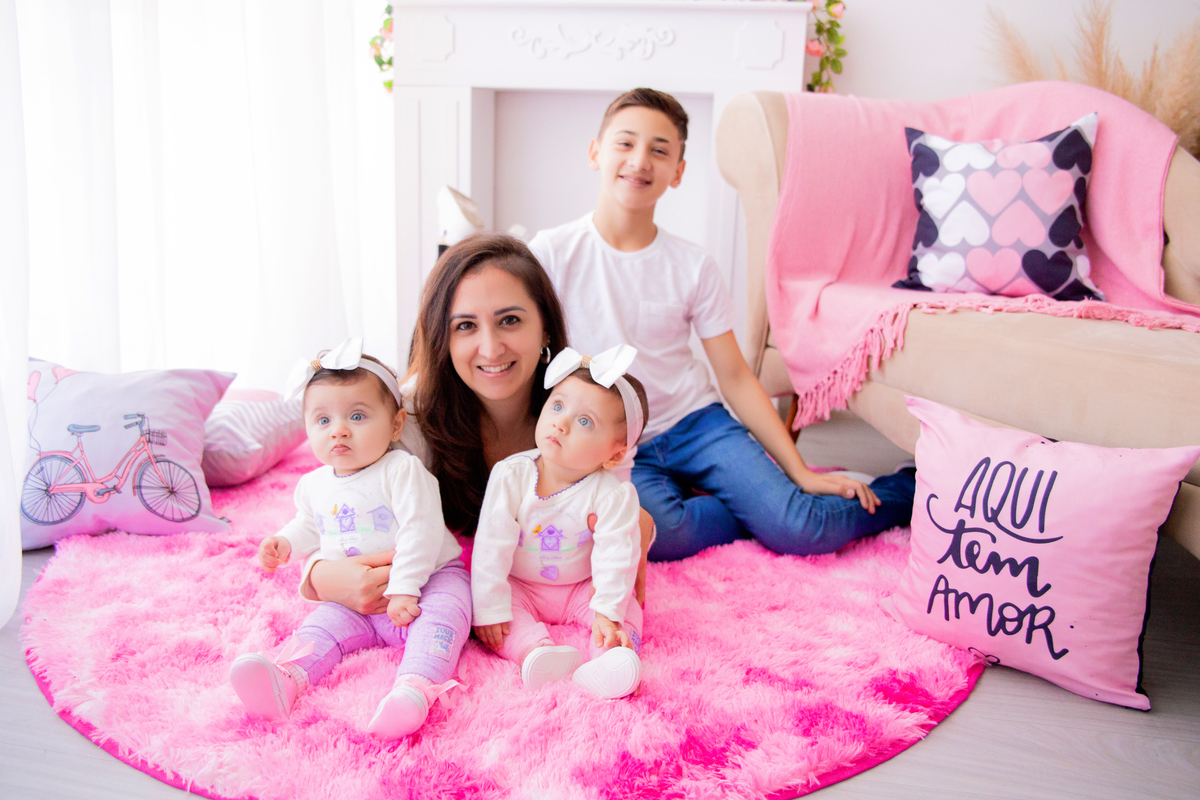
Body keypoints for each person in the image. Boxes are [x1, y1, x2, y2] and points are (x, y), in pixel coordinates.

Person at [528, 87, 916, 561]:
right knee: (655, 538)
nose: (640, 160)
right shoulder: (550, 253)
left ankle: (913, 489)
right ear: (596, 153)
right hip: (617, 441)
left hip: (698, 424)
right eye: (625, 143)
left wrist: (799, 472)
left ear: (678, 173)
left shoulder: (692, 265)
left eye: (660, 150)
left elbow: (734, 377)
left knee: (801, 528)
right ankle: (753, 510)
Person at [303, 236, 656, 617]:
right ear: (443, 340)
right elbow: (334, 503)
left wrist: (641, 524)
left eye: (509, 320)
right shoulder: (407, 417)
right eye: (466, 326)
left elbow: (613, 505)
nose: (490, 349)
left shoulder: (595, 411)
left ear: (546, 331)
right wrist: (319, 576)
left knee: (669, 525)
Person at [228, 339, 470, 739]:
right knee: (321, 626)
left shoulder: (401, 470)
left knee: (446, 617)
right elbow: (310, 524)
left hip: (428, 582)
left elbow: (421, 529)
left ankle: (415, 690)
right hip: (358, 600)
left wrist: (407, 588)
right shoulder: (314, 484)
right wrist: (286, 543)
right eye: (323, 421)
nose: (338, 430)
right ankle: (287, 679)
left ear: (395, 424)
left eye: (357, 416)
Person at [472, 345, 649, 700]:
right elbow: (491, 545)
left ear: (615, 453)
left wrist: (608, 613)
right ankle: (534, 652)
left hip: (581, 587)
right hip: (521, 585)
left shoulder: (613, 495)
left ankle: (611, 656)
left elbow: (617, 556)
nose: (561, 423)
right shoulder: (512, 475)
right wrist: (489, 606)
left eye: (584, 422)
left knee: (625, 606)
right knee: (497, 616)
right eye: (557, 405)